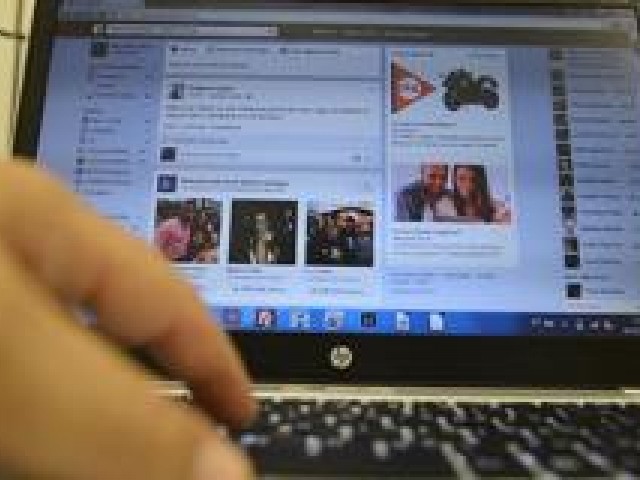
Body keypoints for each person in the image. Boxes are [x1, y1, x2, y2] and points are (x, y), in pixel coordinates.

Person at [0, 162, 255, 479]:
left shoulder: (191, 230)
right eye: (190, 213)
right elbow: (163, 250)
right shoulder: (170, 226)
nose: (191, 218)